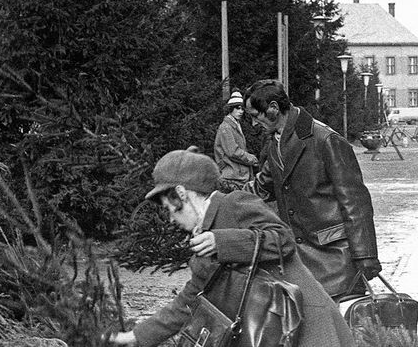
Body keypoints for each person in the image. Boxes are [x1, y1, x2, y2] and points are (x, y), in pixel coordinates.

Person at [107, 148, 355, 346]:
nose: (171, 219)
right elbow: (188, 302)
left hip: (306, 326)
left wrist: (222, 241)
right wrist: (136, 336)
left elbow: (283, 239)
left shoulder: (234, 204)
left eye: (170, 209)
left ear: (182, 194)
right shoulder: (203, 237)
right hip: (273, 331)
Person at [243, 79, 380, 299]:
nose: (252, 124)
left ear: (273, 109)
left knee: (344, 330)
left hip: (336, 260)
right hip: (299, 261)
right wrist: (217, 198)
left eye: (254, 115)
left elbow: (355, 201)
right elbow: (261, 187)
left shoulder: (325, 139)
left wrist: (365, 256)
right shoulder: (274, 143)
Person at [214, 89, 259, 192]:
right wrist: (252, 159)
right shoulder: (226, 127)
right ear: (230, 109)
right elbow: (233, 152)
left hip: (239, 177)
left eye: (242, 109)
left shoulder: (235, 124)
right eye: (237, 108)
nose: (241, 112)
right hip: (232, 178)